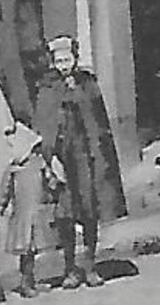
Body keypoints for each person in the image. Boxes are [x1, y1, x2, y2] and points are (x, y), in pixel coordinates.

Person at [34, 36, 127, 289]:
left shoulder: (87, 83)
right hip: (61, 160)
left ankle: (90, 265)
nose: (64, 65)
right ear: (53, 62)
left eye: (67, 59)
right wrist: (48, 159)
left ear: (75, 59)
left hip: (87, 158)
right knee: (65, 215)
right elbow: (43, 125)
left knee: (89, 212)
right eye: (59, 60)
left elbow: (97, 122)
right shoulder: (47, 87)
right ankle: (69, 268)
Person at [0, 122, 54, 302]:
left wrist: (54, 183)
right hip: (22, 215)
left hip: (36, 213)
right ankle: (26, 282)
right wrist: (0, 207)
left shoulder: (39, 164)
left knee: (32, 250)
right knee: (26, 250)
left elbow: (50, 180)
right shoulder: (13, 170)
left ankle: (29, 279)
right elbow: (5, 190)